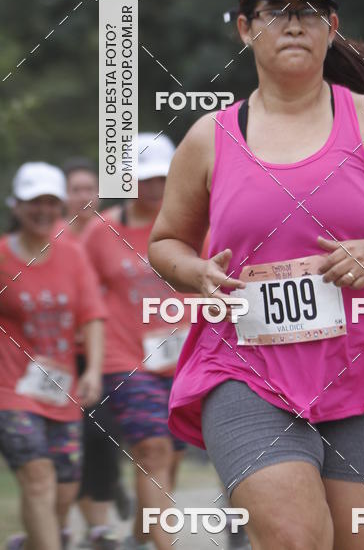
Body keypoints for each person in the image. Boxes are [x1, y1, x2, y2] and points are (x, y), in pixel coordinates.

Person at [148, 0, 364, 550]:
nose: (296, 24)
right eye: (276, 11)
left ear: (331, 28)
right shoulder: (208, 137)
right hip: (243, 366)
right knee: (294, 537)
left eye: (312, 11)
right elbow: (166, 241)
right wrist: (193, 270)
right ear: (245, 26)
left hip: (361, 362)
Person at [84, 135, 189, 550]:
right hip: (125, 357)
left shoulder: (192, 223)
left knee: (173, 454)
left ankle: (141, 536)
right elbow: (83, 292)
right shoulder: (100, 232)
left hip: (184, 357)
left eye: (162, 178)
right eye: (144, 179)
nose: (154, 187)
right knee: (152, 448)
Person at [0, 162, 105, 550]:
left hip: (62, 393)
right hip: (10, 390)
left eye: (50, 202)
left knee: (63, 493)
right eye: (33, 202)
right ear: (16, 206)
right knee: (38, 477)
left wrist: (93, 369)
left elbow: (92, 314)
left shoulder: (73, 257)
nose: (42, 210)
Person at [62, 159, 130, 549]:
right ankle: (98, 519)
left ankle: (103, 512)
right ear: (64, 196)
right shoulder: (54, 238)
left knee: (103, 431)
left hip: (109, 351)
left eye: (90, 189)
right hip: (63, 355)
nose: (84, 197)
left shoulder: (113, 233)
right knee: (83, 436)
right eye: (76, 190)